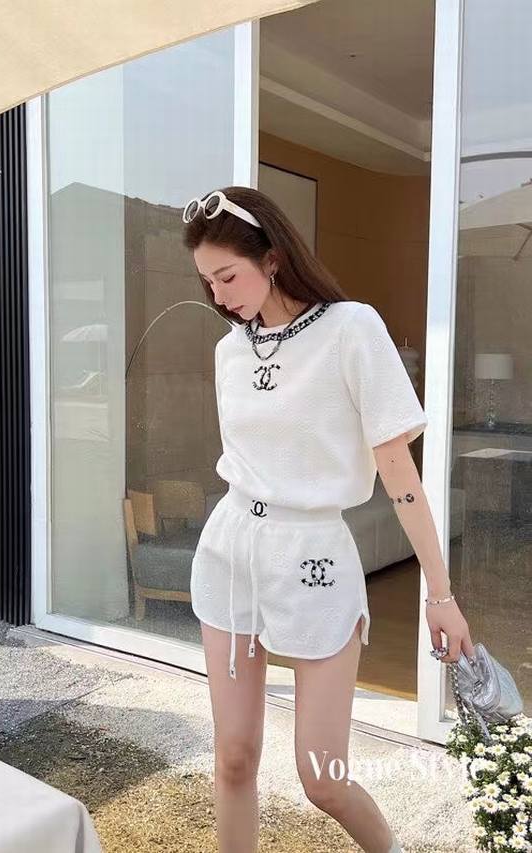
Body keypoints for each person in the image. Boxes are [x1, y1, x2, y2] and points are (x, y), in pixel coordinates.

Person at [181, 186, 474, 853]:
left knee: (322, 777)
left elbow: (400, 475)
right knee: (233, 756)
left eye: (228, 276)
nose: (219, 296)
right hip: (231, 548)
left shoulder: (351, 329)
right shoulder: (230, 351)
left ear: (272, 258)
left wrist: (440, 593)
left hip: (313, 554)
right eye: (208, 282)